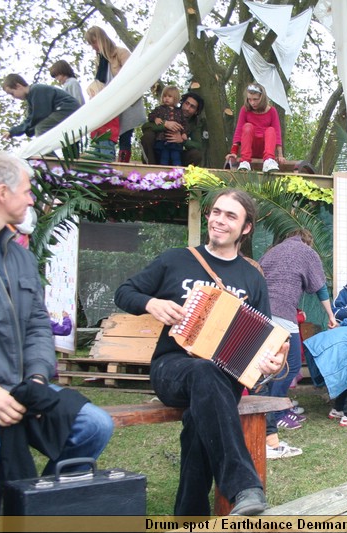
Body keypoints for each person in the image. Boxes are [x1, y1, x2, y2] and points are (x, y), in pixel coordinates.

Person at [0, 151, 114, 515]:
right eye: (26, 191)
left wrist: (37, 378)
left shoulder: (20, 256)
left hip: (18, 383)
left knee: (94, 424)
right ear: (2, 193)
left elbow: (38, 323)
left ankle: (28, 515)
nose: (32, 199)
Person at [114, 188, 289, 516]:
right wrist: (151, 303)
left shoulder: (252, 278)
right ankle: (244, 487)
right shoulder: (175, 260)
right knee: (203, 373)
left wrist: (272, 363)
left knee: (201, 416)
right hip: (172, 368)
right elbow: (124, 292)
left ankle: (189, 516)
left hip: (225, 380)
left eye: (230, 216)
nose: (220, 220)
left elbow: (264, 343)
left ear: (246, 228)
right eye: (216, 212)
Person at [258, 228, 337, 458]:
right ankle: (277, 414)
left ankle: (272, 410)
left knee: (266, 367)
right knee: (290, 365)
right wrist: (331, 316)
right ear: (308, 240)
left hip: (260, 311)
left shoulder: (272, 252)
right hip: (282, 312)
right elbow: (320, 287)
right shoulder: (306, 252)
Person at [85, 26, 147, 163]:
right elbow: (100, 81)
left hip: (126, 99)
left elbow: (133, 74)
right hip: (109, 101)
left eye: (94, 42)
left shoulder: (121, 53)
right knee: (107, 134)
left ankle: (123, 164)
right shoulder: (99, 60)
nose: (93, 46)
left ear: (101, 39)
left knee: (125, 133)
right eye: (90, 44)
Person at [225, 83, 285, 173]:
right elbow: (238, 132)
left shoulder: (272, 111)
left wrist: (280, 155)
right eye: (250, 99)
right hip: (249, 147)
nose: (252, 102)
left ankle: (268, 161)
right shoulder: (245, 110)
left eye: (255, 99)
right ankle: (245, 162)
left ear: (262, 97)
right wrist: (233, 152)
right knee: (247, 126)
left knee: (271, 130)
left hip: (266, 147)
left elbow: (277, 133)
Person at [1, 73, 81, 140]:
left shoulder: (36, 90)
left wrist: (25, 130)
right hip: (62, 111)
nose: (13, 97)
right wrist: (13, 132)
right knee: (60, 133)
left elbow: (38, 116)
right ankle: (71, 156)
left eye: (12, 93)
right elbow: (30, 119)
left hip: (67, 109)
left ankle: (49, 157)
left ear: (18, 86)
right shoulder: (31, 98)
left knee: (41, 128)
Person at [141, 91, 207, 167]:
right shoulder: (166, 110)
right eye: (186, 103)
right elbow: (145, 126)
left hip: (176, 155)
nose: (187, 108)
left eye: (192, 107)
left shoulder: (195, 123)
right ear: (182, 102)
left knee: (196, 155)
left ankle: (180, 174)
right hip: (158, 151)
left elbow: (198, 145)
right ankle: (151, 168)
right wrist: (165, 124)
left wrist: (183, 141)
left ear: (196, 111)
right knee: (148, 136)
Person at [147, 85, 188, 166]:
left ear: (175, 98)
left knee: (176, 157)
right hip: (163, 140)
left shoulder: (179, 112)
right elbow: (150, 116)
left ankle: (177, 174)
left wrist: (184, 133)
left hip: (175, 142)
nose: (166, 98)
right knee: (164, 158)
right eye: (165, 96)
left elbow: (185, 124)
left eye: (169, 96)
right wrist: (155, 119)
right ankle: (163, 174)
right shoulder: (159, 109)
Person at [85, 80, 120, 159]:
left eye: (91, 94)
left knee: (106, 159)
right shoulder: (101, 106)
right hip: (98, 136)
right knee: (96, 160)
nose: (90, 97)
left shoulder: (106, 104)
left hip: (106, 136)